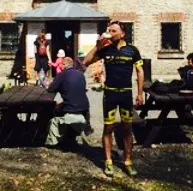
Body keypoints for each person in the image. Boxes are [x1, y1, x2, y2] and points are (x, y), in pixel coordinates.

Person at [84, 21, 144, 177]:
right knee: (108, 128)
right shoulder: (106, 49)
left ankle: (128, 161)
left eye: (113, 31)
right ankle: (108, 161)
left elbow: (140, 71)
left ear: (122, 34)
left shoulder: (132, 50)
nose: (110, 33)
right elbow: (86, 62)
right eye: (109, 30)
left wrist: (140, 93)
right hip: (110, 94)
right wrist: (97, 46)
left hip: (126, 94)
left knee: (127, 128)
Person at [45, 57, 90, 147]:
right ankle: (71, 133)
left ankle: (53, 139)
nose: (60, 66)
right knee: (64, 104)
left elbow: (51, 89)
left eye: (61, 64)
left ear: (64, 65)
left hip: (70, 108)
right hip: (84, 107)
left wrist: (51, 85)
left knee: (53, 109)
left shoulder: (61, 75)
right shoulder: (80, 74)